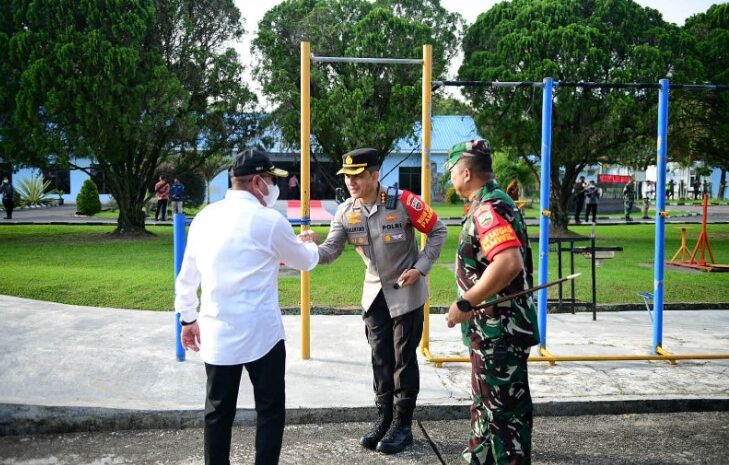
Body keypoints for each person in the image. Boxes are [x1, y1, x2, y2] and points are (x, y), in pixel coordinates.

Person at [175, 149, 319, 465]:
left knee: (217, 412)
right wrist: (308, 243)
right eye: (270, 179)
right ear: (257, 181)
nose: (273, 186)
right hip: (262, 336)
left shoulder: (204, 218)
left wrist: (188, 319)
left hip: (217, 334)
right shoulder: (269, 221)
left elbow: (187, 277)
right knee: (269, 410)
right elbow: (305, 261)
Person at [310, 148, 447, 454]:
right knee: (380, 359)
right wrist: (308, 250)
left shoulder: (404, 202)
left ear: (375, 175)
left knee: (403, 359)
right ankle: (383, 421)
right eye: (347, 177)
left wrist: (420, 268)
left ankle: (402, 426)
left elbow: (438, 231)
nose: (351, 182)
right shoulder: (346, 211)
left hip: (406, 293)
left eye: (358, 176)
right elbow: (330, 251)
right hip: (374, 295)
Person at [444, 139, 540, 465]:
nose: (451, 178)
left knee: (503, 418)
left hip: (499, 333)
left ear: (466, 173)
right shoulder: (489, 203)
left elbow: (507, 263)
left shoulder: (489, 210)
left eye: (452, 172)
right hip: (491, 331)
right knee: (486, 407)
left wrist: (466, 303)